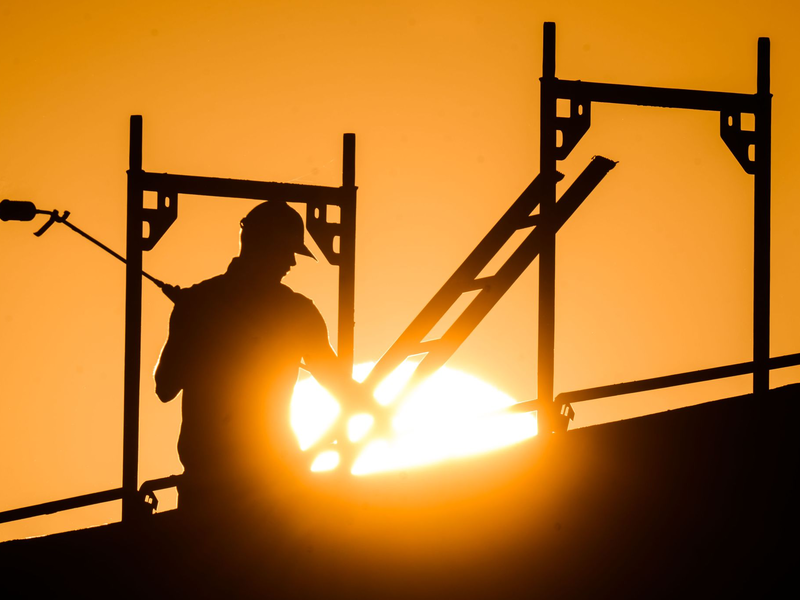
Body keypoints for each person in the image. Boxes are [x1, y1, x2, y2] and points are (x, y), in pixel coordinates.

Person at [154, 201, 372, 515]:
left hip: (218, 483)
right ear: (262, 247)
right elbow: (340, 387)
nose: (291, 263)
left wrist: (195, 320)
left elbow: (165, 386)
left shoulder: (199, 302)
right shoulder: (295, 312)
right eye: (287, 251)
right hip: (265, 481)